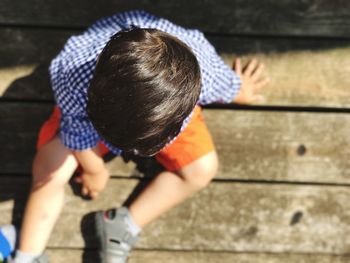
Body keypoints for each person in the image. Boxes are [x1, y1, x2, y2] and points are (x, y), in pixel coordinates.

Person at [0, 10, 269, 263]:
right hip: (93, 116)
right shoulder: (74, 76)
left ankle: (124, 223)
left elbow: (228, 84)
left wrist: (239, 89)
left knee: (203, 169)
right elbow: (77, 131)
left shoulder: (204, 76)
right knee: (50, 166)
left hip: (160, 116)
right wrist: (94, 169)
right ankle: (27, 254)